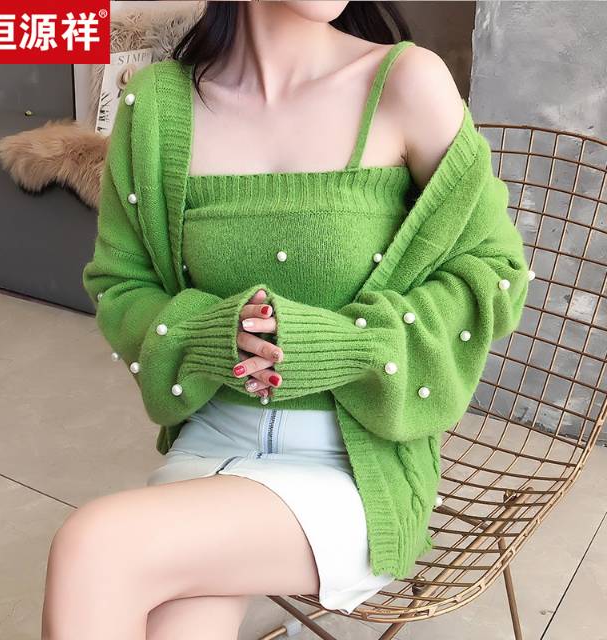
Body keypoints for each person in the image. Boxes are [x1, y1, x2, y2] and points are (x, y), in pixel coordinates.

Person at [42, 1, 529, 638]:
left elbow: (495, 274)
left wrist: (345, 345)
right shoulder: (156, 106)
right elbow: (121, 285)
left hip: (355, 466)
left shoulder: (406, 84)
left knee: (97, 549)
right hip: (210, 445)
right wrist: (210, 334)